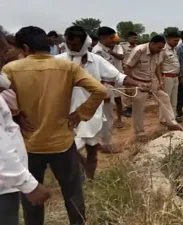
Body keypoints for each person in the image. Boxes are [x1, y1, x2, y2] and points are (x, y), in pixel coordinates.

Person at [1, 26, 107, 225]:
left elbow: (3, 99)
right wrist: (80, 114)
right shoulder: (68, 67)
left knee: (31, 198)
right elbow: (100, 91)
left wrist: (16, 115)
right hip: (62, 143)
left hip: (29, 144)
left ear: (24, 47)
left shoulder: (11, 69)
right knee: (73, 193)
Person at [56, 26, 148, 178]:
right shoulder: (57, 61)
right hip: (66, 113)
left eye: (77, 44)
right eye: (70, 44)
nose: (73, 47)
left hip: (91, 113)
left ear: (85, 42)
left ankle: (89, 178)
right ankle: (79, 171)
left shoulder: (96, 61)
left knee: (91, 149)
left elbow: (118, 76)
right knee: (68, 149)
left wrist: (138, 84)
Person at [0, 27, 52, 225]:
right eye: (4, 51)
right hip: (4, 186)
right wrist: (28, 184)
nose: (7, 58)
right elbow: (1, 148)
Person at [124, 35, 182, 138]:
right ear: (152, 43)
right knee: (138, 109)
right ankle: (139, 133)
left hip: (152, 81)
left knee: (164, 97)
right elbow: (127, 67)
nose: (160, 51)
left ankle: (171, 123)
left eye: (162, 48)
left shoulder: (158, 52)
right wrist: (129, 85)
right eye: (159, 48)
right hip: (139, 83)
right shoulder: (139, 50)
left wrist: (160, 81)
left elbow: (157, 67)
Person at [92, 27, 125, 129]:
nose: (114, 40)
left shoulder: (113, 47)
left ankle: (117, 120)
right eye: (111, 38)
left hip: (116, 79)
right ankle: (104, 126)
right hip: (105, 83)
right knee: (106, 105)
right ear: (102, 38)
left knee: (118, 100)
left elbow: (121, 57)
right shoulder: (97, 51)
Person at [158, 31, 180, 123]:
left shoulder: (174, 49)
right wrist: (160, 80)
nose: (176, 42)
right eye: (175, 40)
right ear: (169, 39)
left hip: (175, 77)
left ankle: (172, 118)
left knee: (174, 100)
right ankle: (163, 119)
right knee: (166, 99)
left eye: (178, 41)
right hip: (167, 77)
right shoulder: (163, 50)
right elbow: (158, 65)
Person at [121, 31, 139, 117]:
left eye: (136, 38)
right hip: (125, 70)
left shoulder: (137, 47)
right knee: (126, 90)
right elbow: (121, 59)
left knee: (133, 89)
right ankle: (126, 108)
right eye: (133, 38)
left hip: (135, 71)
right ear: (128, 38)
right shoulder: (123, 46)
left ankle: (132, 106)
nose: (135, 39)